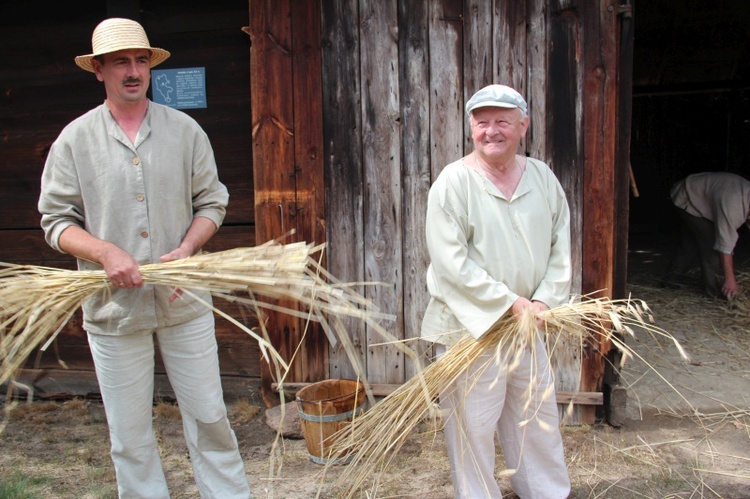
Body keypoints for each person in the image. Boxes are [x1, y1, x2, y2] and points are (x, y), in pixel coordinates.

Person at [38, 18, 252, 498]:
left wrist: (186, 249)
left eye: (140, 61)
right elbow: (55, 220)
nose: (133, 71)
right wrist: (104, 252)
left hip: (183, 299)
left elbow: (212, 203)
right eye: (120, 62)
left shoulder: (184, 130)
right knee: (130, 435)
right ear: (99, 70)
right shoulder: (74, 140)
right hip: (113, 310)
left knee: (211, 418)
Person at [420, 84, 572, 498]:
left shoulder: (542, 177)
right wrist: (508, 303)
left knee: (537, 420)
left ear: (523, 125)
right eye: (481, 121)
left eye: (502, 121)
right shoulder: (454, 183)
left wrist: (544, 300)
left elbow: (561, 247)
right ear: (471, 127)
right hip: (469, 331)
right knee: (472, 428)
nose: (491, 130)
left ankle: (547, 493)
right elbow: (450, 264)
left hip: (528, 325)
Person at [661, 172, 750, 300]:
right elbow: (724, 245)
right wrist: (730, 279)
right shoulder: (733, 205)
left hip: (703, 196)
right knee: (710, 245)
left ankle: (670, 280)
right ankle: (715, 292)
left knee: (690, 243)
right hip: (688, 195)